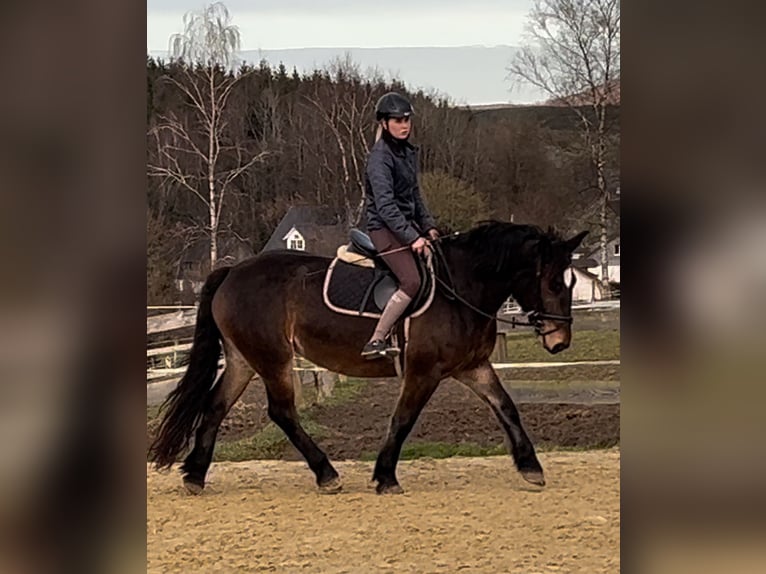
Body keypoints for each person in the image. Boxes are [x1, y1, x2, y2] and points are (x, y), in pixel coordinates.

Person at [361, 92, 439, 358]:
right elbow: (385, 207)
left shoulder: (407, 153)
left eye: (407, 119)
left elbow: (415, 195)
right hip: (384, 229)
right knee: (412, 280)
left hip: (406, 226)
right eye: (397, 120)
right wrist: (412, 237)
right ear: (384, 123)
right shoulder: (379, 158)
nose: (404, 125)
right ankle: (377, 339)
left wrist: (427, 226)